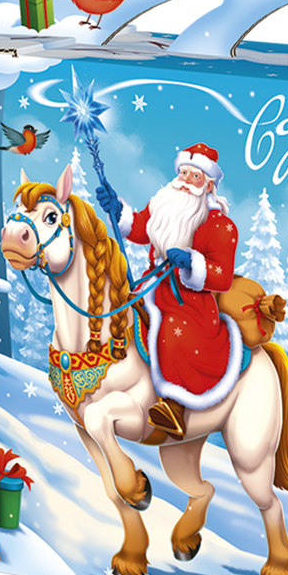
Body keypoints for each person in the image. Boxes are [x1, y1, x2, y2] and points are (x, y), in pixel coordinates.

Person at [96, 143, 243, 439]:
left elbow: (222, 276)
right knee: (114, 307)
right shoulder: (164, 203)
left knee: (173, 332)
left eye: (195, 176)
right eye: (183, 173)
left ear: (209, 184)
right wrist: (118, 210)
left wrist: (192, 263)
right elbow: (141, 228)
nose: (186, 181)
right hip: (151, 286)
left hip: (188, 301)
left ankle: (173, 405)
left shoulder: (220, 226)